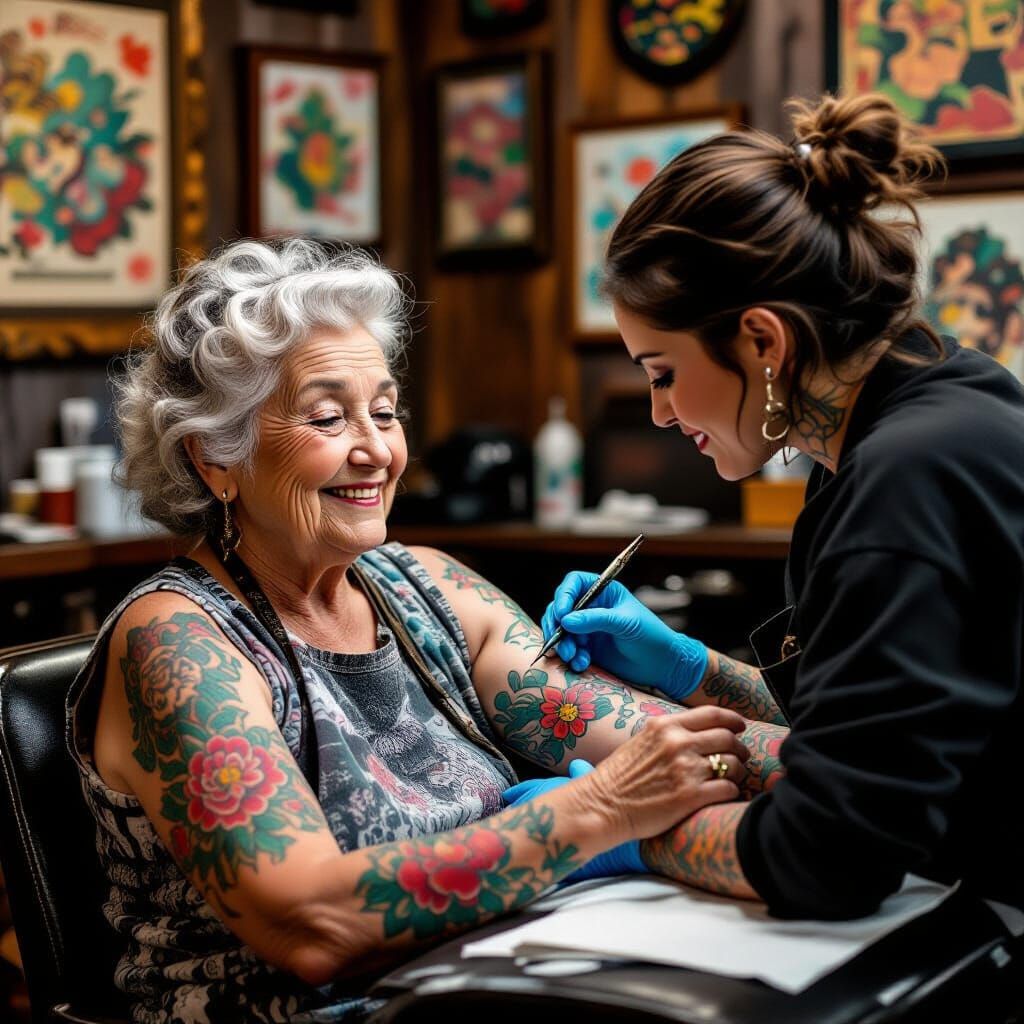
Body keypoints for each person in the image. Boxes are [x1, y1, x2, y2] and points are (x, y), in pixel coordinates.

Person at [67, 238, 774, 1024]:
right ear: (214, 457)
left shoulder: (428, 589)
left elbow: (677, 747)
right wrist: (594, 817)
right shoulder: (177, 644)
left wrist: (824, 751)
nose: (376, 450)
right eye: (329, 417)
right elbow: (312, 924)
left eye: (385, 410)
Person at [541, 93, 1024, 920]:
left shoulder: (906, 479)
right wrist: (696, 670)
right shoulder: (931, 400)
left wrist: (610, 829)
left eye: (662, 372)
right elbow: (864, 736)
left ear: (763, 341)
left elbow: (830, 856)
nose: (659, 413)